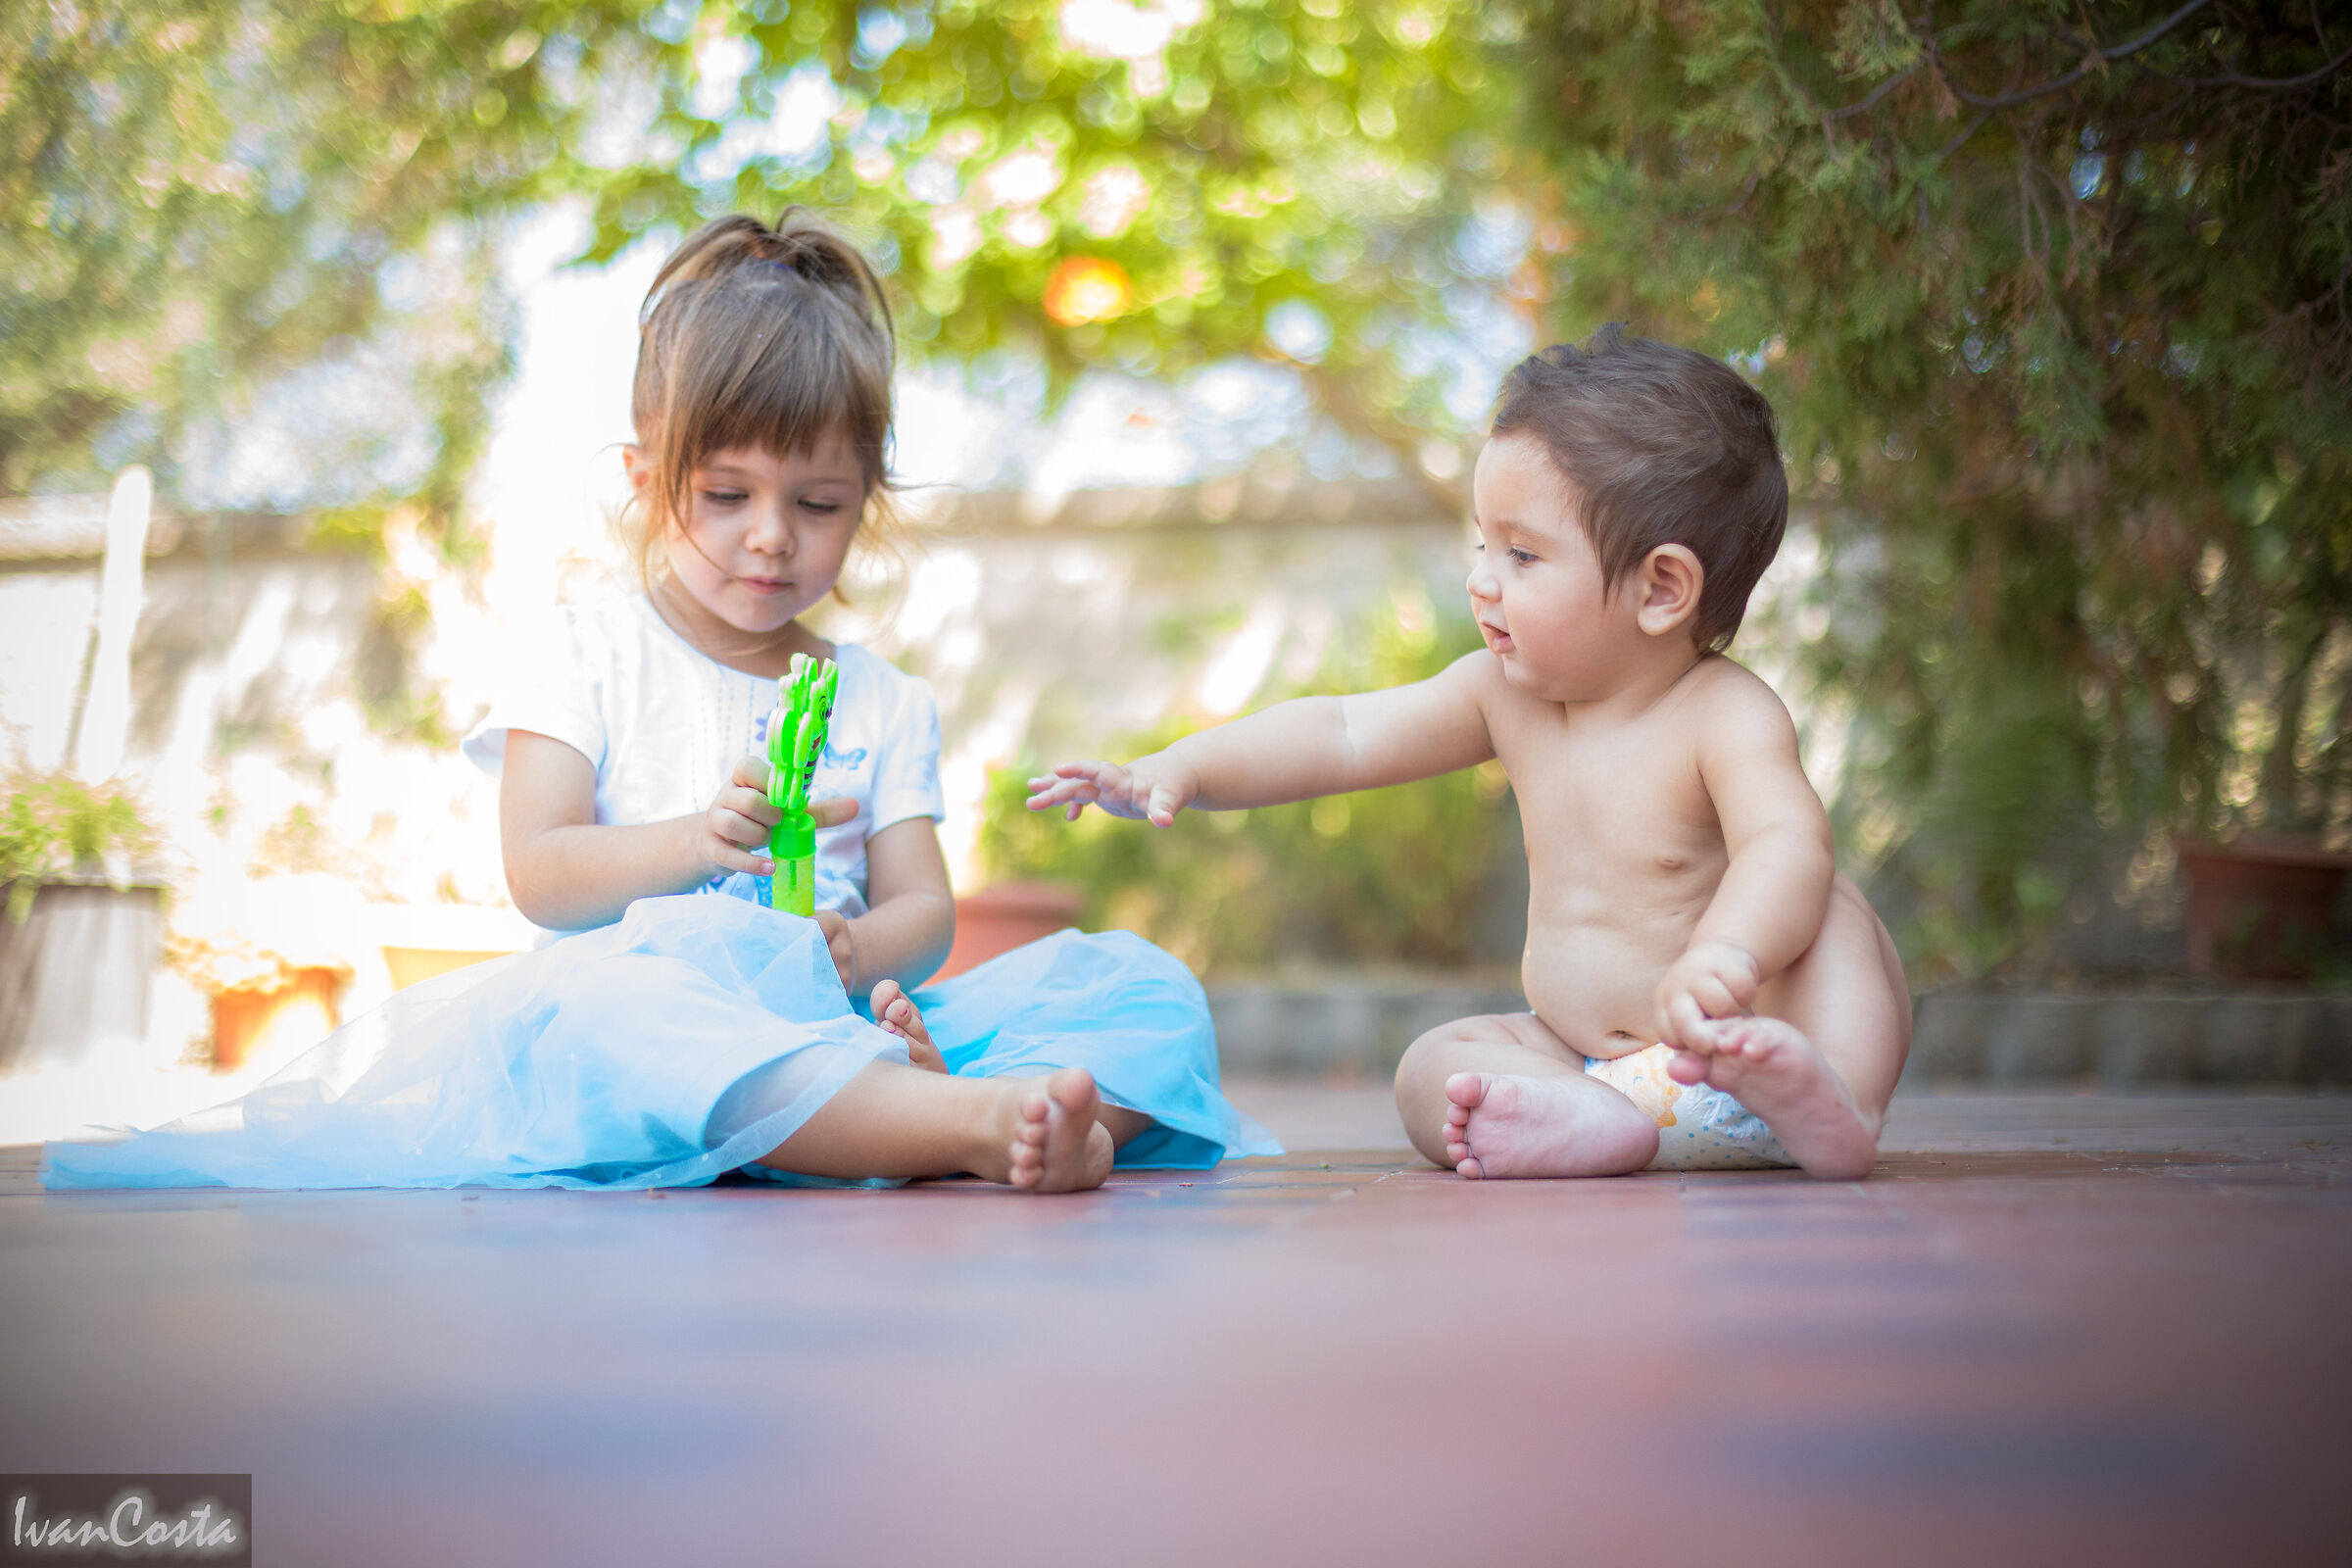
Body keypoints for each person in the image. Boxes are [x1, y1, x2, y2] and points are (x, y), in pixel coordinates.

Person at [44, 211, 1273, 1195]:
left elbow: (925, 910)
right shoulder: (587, 651)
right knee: (624, 1014)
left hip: (850, 1016)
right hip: (662, 1027)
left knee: (1142, 986)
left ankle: (963, 1112)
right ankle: (960, 1122)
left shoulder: (880, 697)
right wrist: (691, 844)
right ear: (647, 479)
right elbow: (542, 871)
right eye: (726, 494)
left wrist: (862, 955)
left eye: (820, 503)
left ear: (869, 497)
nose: (771, 540)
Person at [1029, 326, 1909, 1180]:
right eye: (1483, 544)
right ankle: (1596, 1126)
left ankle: (1837, 1105)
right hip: (1589, 1071)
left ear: (1661, 588)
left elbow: (1783, 844)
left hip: (1741, 1052)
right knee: (1432, 1065)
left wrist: (1729, 955)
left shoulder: (1724, 713)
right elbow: (1341, 732)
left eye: (1522, 553)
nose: (1482, 577)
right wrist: (1182, 766)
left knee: (1832, 912)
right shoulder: (1502, 693)